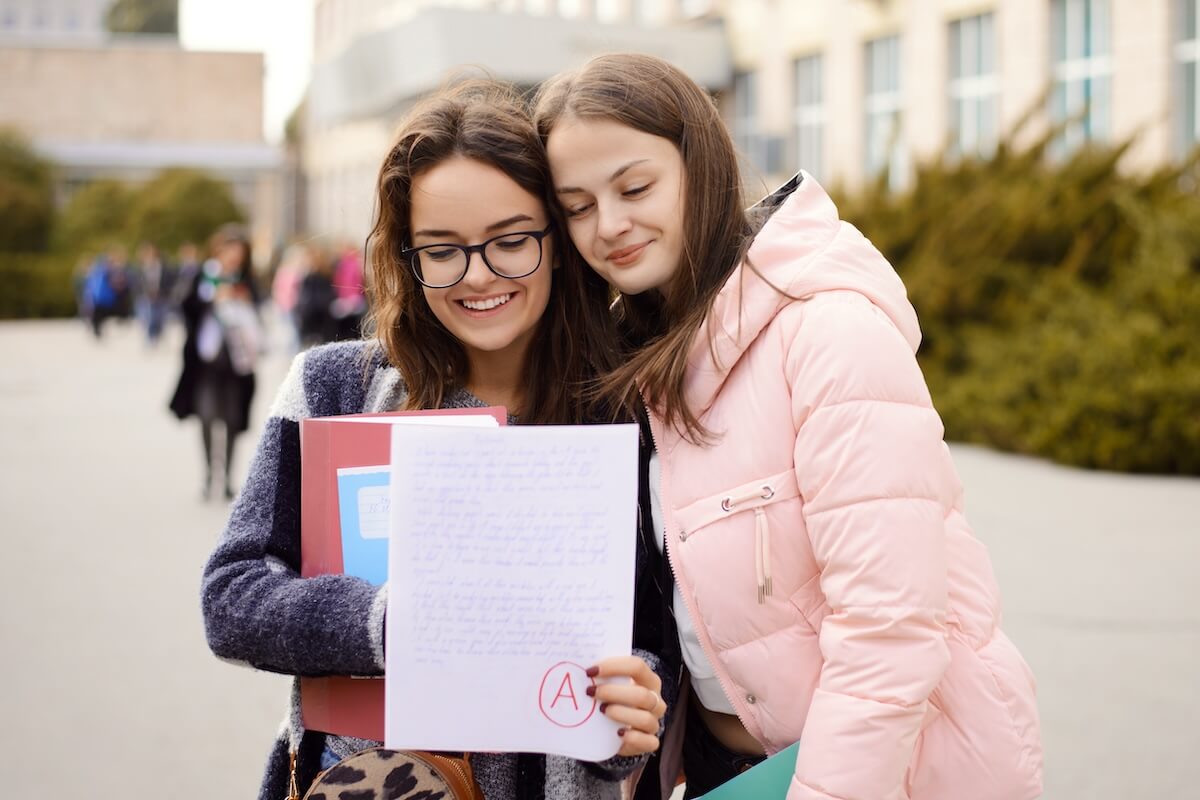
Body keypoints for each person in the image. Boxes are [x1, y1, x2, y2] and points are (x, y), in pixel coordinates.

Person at [536, 54, 1044, 800]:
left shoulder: (828, 334)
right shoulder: (637, 361)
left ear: (699, 164)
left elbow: (890, 630)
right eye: (577, 206)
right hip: (728, 771)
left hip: (890, 773)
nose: (609, 225)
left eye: (636, 187)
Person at [200, 81, 679, 800]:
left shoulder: (623, 414)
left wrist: (629, 714)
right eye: (442, 250)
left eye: (511, 240)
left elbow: (656, 640)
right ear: (405, 255)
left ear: (557, 239)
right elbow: (232, 598)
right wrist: (393, 624)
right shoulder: (335, 390)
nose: (479, 275)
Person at [169, 224, 263, 501]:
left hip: (238, 365)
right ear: (218, 250)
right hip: (206, 364)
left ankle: (228, 480)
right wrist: (210, 301)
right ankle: (211, 473)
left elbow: (259, 314)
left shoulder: (246, 281)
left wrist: (243, 301)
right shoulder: (204, 275)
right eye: (230, 251)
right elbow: (185, 307)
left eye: (240, 253)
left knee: (233, 421)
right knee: (208, 418)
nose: (235, 258)